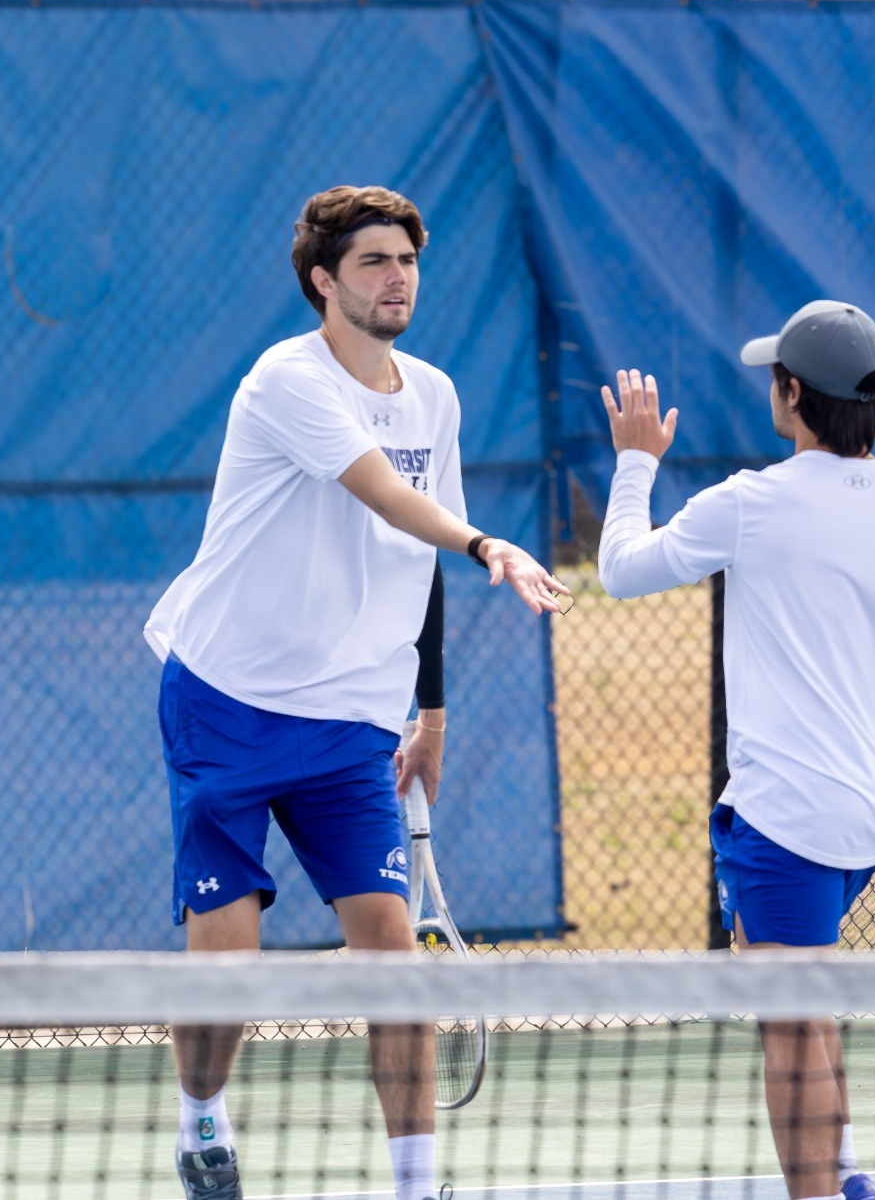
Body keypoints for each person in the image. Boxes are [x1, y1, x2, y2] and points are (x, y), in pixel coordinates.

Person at [144, 185, 569, 1200]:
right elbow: (384, 492)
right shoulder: (283, 381)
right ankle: (201, 1114)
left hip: (349, 722)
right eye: (374, 261)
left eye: (407, 261)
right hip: (227, 698)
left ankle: (416, 1185)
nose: (397, 278)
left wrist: (429, 713)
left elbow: (411, 553)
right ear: (321, 282)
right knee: (230, 961)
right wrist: (484, 542)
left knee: (390, 951)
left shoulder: (434, 393)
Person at [596, 301, 875, 1200]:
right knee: (811, 1000)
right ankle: (847, 1172)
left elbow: (618, 568)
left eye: (776, 376)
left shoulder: (748, 505)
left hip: (785, 825)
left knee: (788, 1024)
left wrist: (633, 463)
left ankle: (820, 1189)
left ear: (793, 393)